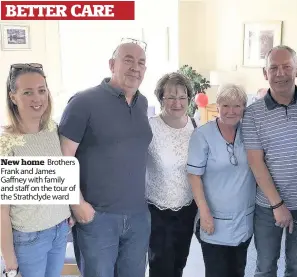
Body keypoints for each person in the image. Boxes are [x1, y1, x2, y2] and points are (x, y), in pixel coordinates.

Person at [58, 39, 152, 277]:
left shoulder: (142, 103)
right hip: (98, 218)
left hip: (138, 218)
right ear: (112, 64)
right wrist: (77, 204)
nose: (135, 67)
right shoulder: (83, 102)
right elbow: (62, 156)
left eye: (141, 62)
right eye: (128, 60)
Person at [242, 45, 297, 277]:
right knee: (265, 267)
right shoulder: (253, 113)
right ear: (265, 73)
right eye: (273, 68)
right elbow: (256, 163)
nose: (280, 73)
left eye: (287, 67)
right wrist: (277, 205)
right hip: (268, 207)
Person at [0, 63, 72, 277]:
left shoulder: (53, 129)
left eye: (42, 90)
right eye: (28, 92)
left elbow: (59, 176)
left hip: (60, 231)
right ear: (13, 97)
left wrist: (68, 209)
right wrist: (10, 264)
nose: (37, 98)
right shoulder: (6, 144)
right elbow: (2, 210)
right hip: (29, 239)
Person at [187, 84, 256, 277]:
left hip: (244, 221)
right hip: (213, 221)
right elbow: (194, 176)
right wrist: (204, 212)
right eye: (225, 105)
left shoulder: (249, 132)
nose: (231, 111)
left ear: (244, 107)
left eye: (236, 106)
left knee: (238, 271)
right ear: (217, 106)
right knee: (217, 272)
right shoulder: (203, 135)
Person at [146, 72, 198, 277]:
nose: (177, 102)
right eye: (171, 97)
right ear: (161, 99)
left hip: (187, 208)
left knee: (179, 263)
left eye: (182, 97)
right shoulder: (150, 127)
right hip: (157, 211)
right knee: (160, 266)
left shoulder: (195, 126)